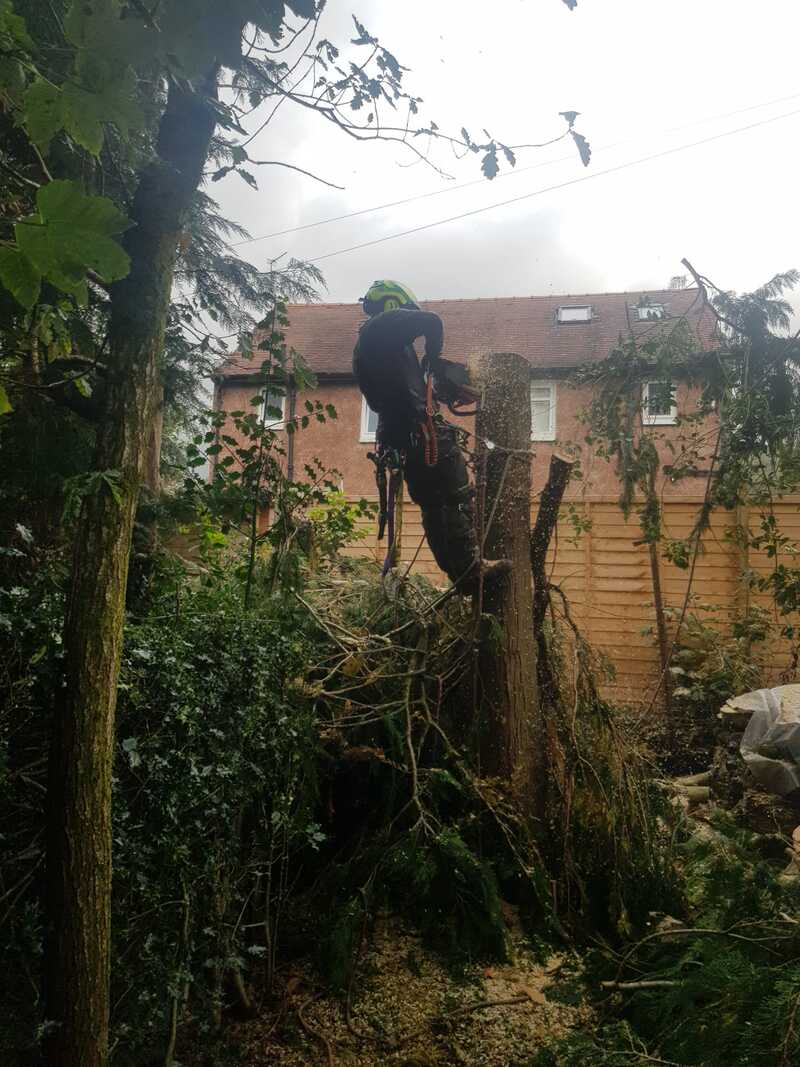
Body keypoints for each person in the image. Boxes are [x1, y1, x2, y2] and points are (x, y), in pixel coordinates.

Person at [352, 279, 506, 592]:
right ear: (393, 305)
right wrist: (433, 357)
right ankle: (469, 574)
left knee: (440, 502)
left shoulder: (381, 348)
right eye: (405, 312)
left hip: (406, 434)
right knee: (450, 499)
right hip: (417, 435)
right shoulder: (378, 329)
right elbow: (431, 322)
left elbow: (403, 391)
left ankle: (465, 572)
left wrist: (438, 386)